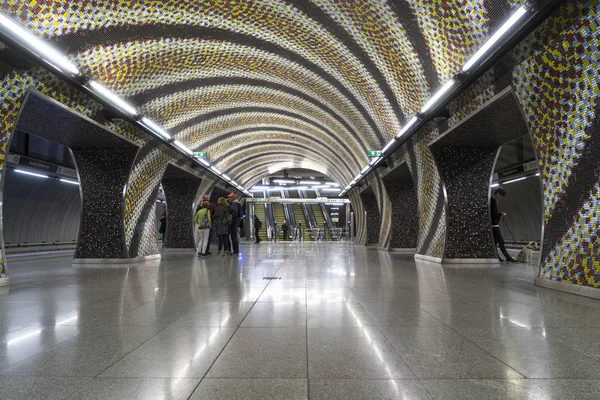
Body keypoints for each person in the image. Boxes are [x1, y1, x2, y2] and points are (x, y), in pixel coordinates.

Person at [491, 188, 516, 263]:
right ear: (497, 194)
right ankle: (508, 257)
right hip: (494, 226)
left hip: (493, 225)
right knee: (501, 241)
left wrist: (499, 216)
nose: (500, 198)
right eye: (501, 196)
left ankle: (497, 257)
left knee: (495, 242)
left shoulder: (492, 200)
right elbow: (492, 214)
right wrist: (500, 214)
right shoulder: (493, 201)